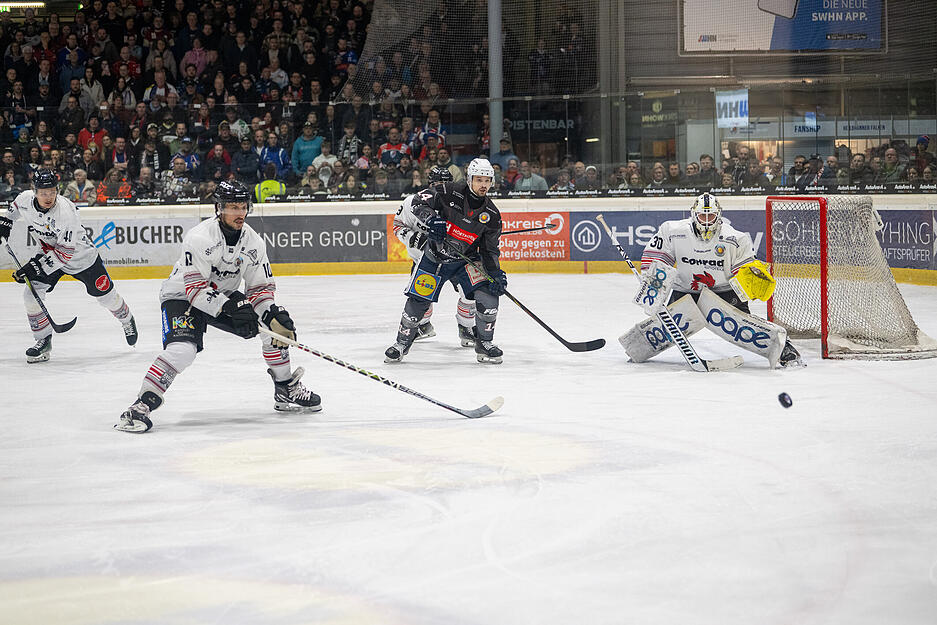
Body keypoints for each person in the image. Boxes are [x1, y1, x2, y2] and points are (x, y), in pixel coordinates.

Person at [114, 180, 320, 433]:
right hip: (182, 296)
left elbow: (259, 288)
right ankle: (140, 406)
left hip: (223, 296)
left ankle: (285, 388)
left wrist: (271, 313)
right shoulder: (200, 238)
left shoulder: (253, 242)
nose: (240, 213)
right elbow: (195, 290)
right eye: (233, 207)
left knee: (272, 329)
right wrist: (230, 308)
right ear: (219, 208)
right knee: (183, 351)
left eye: (243, 206)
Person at [619, 193, 802, 369]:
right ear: (694, 215)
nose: (706, 221)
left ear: (719, 215)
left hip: (724, 292)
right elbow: (657, 258)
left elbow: (744, 273)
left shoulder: (736, 239)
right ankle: (638, 347)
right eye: (702, 216)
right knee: (667, 328)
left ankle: (785, 349)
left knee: (745, 328)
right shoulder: (672, 231)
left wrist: (751, 280)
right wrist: (653, 285)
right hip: (685, 290)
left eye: (711, 216)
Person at [0, 169, 138, 363]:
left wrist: (34, 268)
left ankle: (127, 319)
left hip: (83, 258)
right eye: (43, 192)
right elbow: (13, 209)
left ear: (57, 190)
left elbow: (65, 253)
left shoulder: (66, 212)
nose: (48, 197)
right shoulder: (24, 199)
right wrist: (6, 222)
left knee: (107, 298)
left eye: (52, 192)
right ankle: (43, 341)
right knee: (31, 295)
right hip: (49, 254)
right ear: (34, 190)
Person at [384, 158, 506, 364]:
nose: (483, 184)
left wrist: (495, 273)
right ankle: (402, 343)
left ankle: (484, 343)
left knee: (488, 294)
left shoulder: (492, 214)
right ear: (469, 179)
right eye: (478, 180)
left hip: (465, 260)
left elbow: (489, 249)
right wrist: (432, 219)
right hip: (434, 258)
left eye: (487, 180)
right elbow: (417, 203)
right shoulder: (448, 190)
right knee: (418, 300)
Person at [392, 165, 478, 345]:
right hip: (425, 261)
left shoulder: (460, 205)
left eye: (446, 183)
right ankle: (423, 326)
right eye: (437, 183)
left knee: (470, 292)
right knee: (421, 296)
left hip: (455, 260)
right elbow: (398, 225)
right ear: (429, 184)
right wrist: (414, 238)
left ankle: (466, 328)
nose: (441, 186)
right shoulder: (411, 202)